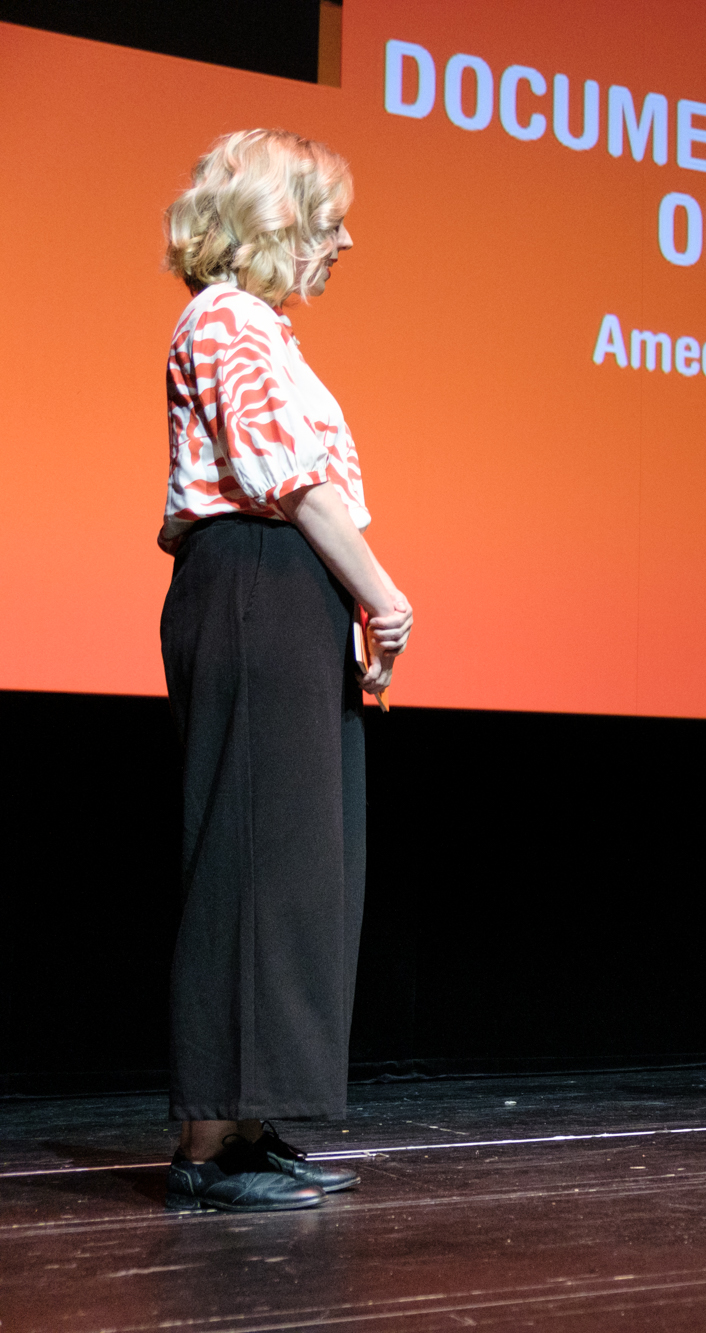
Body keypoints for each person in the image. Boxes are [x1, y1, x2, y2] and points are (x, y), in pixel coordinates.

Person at [158, 130, 413, 1210]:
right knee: (252, 858)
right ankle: (208, 1141)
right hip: (255, 580)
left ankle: (253, 1123)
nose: (343, 244)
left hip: (288, 591)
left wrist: (348, 604)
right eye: (328, 223)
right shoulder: (226, 318)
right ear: (271, 224)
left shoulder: (265, 330)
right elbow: (287, 479)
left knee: (301, 862)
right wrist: (385, 596)